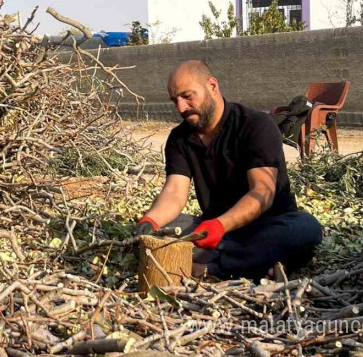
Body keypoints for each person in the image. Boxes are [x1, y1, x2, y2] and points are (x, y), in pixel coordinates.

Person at [134, 60, 323, 281]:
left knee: (306, 228)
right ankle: (255, 265)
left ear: (212, 86)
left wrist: (221, 225)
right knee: (160, 230)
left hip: (265, 226)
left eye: (187, 96)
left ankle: (208, 267)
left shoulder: (256, 125)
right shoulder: (179, 138)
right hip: (213, 229)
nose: (181, 108)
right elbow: (174, 192)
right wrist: (149, 222)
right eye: (175, 100)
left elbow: (262, 193)